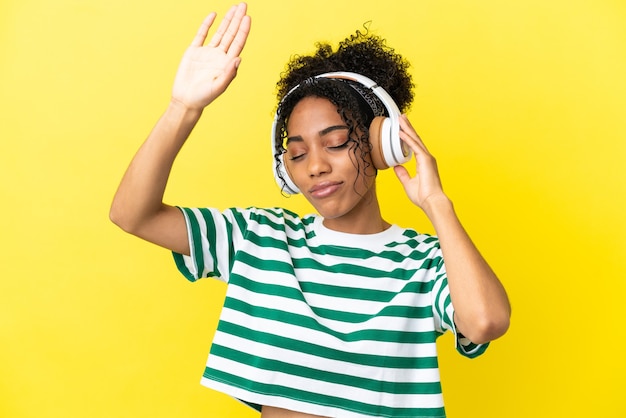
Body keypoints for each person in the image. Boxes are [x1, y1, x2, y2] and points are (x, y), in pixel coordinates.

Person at [110, 3, 511, 417]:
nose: (316, 166)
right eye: (297, 154)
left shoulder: (424, 261)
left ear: (380, 145)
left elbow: (485, 322)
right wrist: (183, 107)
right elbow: (132, 215)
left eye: (335, 143)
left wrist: (437, 205)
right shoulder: (261, 238)